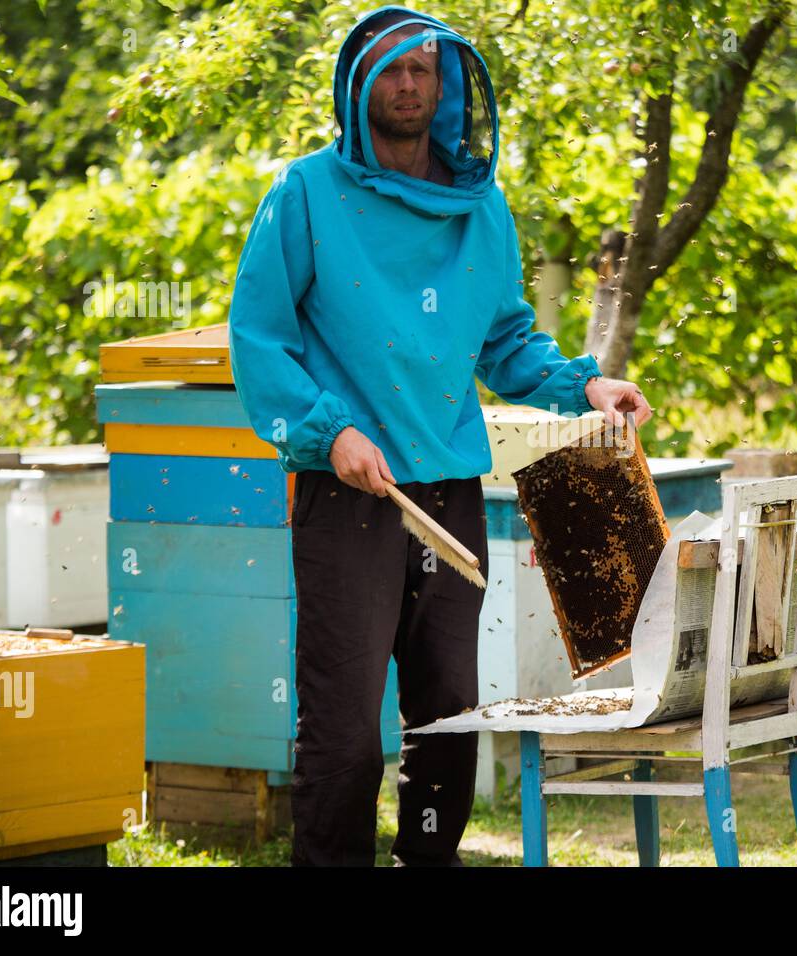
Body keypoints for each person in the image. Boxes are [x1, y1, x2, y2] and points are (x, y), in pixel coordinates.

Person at [227, 5, 653, 866]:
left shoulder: (479, 206)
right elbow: (259, 339)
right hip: (351, 493)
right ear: (357, 87)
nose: (410, 85)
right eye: (391, 71)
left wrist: (586, 383)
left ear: (449, 83)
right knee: (346, 734)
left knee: (449, 718)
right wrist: (328, 432)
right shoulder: (303, 194)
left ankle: (432, 860)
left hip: (449, 494)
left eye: (424, 68)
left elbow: (504, 343)